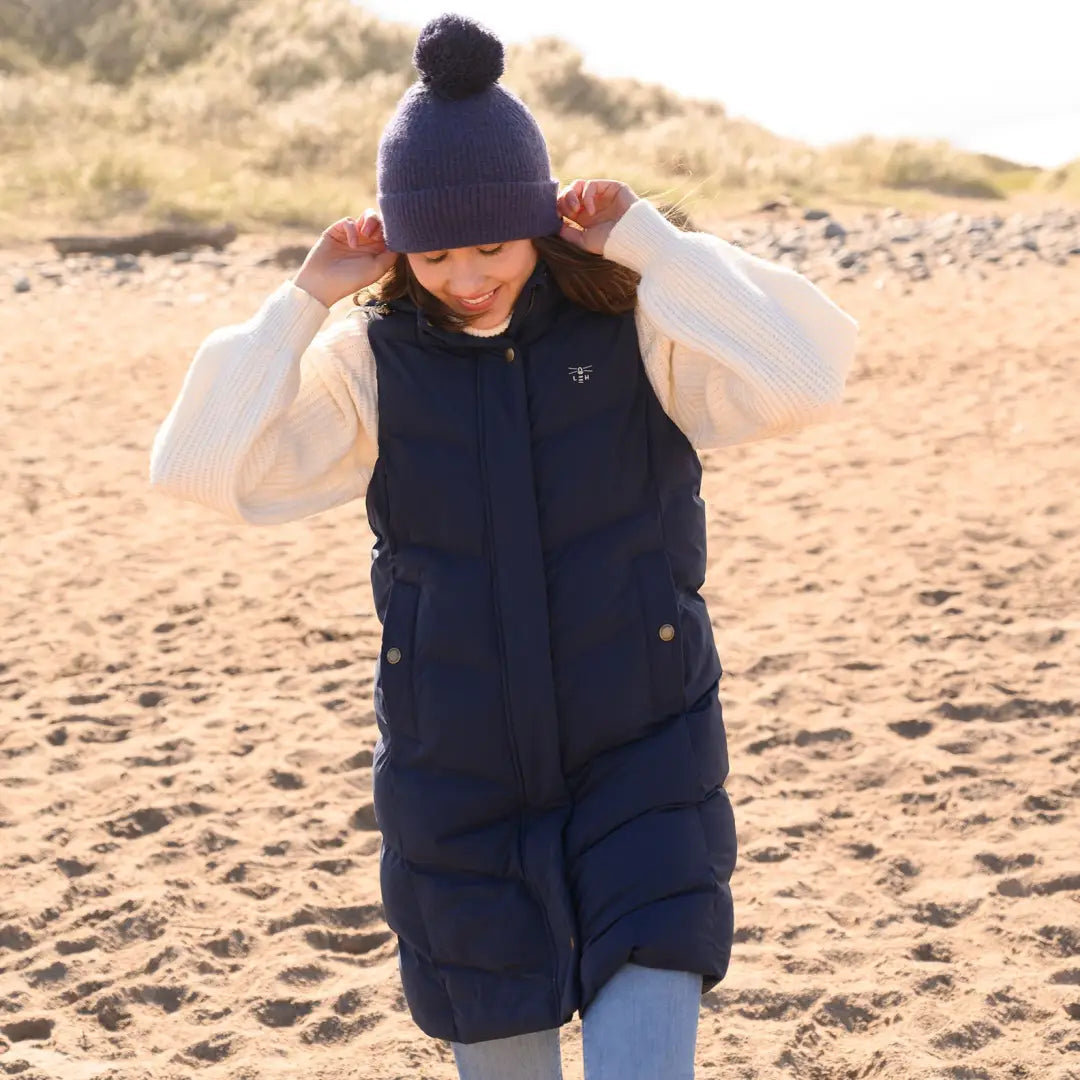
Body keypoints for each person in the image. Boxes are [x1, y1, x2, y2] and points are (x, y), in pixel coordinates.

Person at [150, 13, 859, 1079]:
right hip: (457, 775)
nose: (466, 273)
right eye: (434, 251)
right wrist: (302, 303)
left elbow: (807, 380)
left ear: (539, 224)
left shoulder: (636, 330)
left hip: (644, 751)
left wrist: (653, 244)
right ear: (399, 247)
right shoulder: (372, 366)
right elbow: (202, 468)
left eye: (493, 243)